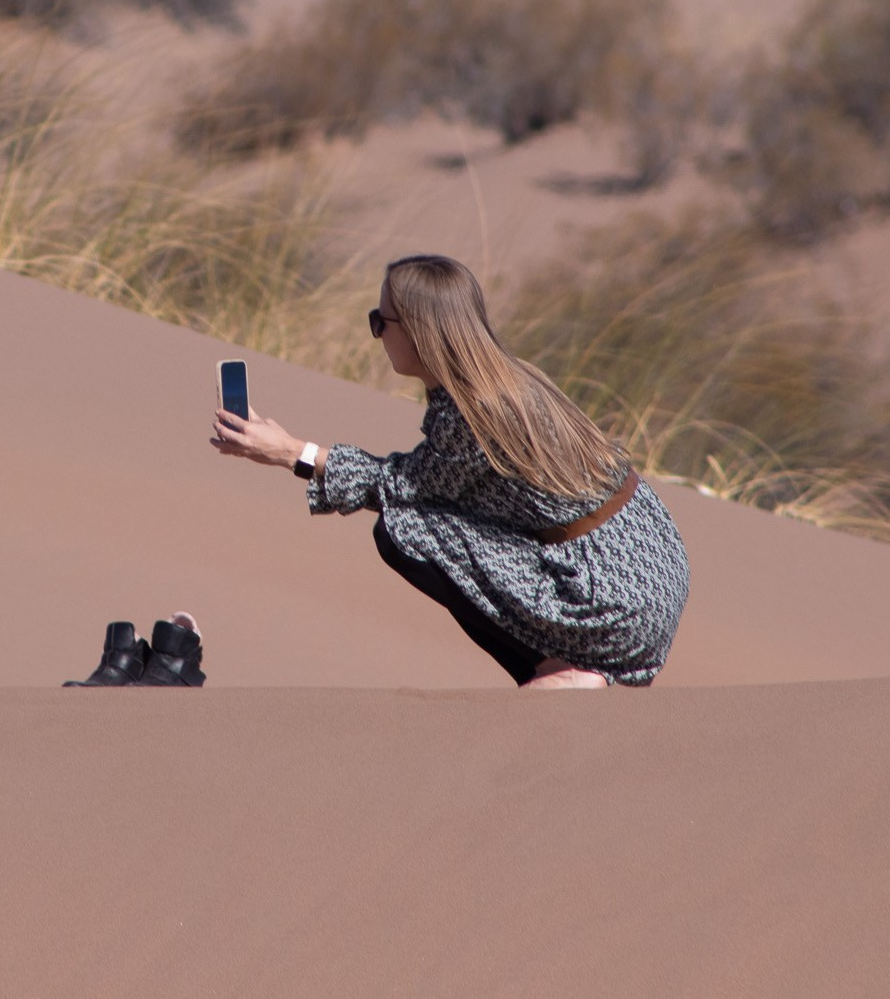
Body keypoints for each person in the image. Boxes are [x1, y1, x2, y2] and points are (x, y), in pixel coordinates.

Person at [210, 254, 688, 689]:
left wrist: (289, 451)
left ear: (419, 331)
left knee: (406, 529)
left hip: (611, 601)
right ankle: (563, 665)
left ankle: (563, 669)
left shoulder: (475, 409)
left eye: (381, 322)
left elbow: (398, 487)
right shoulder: (508, 376)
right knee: (429, 515)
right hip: (651, 565)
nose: (376, 333)